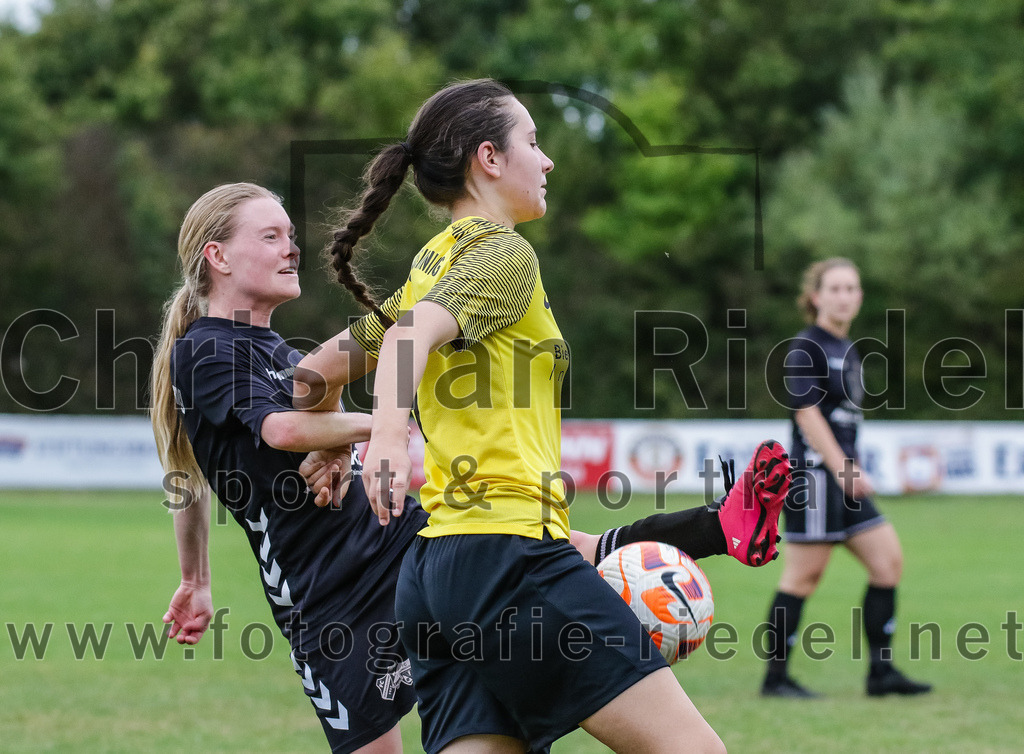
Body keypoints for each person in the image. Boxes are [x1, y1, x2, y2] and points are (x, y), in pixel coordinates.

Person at [151, 182, 789, 754]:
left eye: (291, 234)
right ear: (218, 256)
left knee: (539, 543)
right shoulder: (206, 348)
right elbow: (253, 442)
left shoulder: (278, 351)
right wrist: (382, 428)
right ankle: (715, 529)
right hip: (322, 594)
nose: (292, 248)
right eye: (271, 236)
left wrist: (342, 446)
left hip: (384, 534)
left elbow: (309, 410)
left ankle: (716, 528)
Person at [294, 78, 791, 754]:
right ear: (489, 159)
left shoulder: (430, 267)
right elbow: (407, 342)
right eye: (533, 141)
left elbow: (313, 376)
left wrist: (330, 440)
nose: (548, 159)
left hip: (435, 577)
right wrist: (380, 436)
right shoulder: (503, 254)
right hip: (511, 562)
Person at [760, 257, 932, 699]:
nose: (844, 296)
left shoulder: (847, 348)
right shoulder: (807, 347)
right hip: (816, 479)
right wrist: (842, 467)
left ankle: (881, 674)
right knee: (802, 579)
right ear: (816, 296)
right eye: (835, 288)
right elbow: (805, 411)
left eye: (851, 288)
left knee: (887, 562)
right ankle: (775, 680)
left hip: (844, 480)